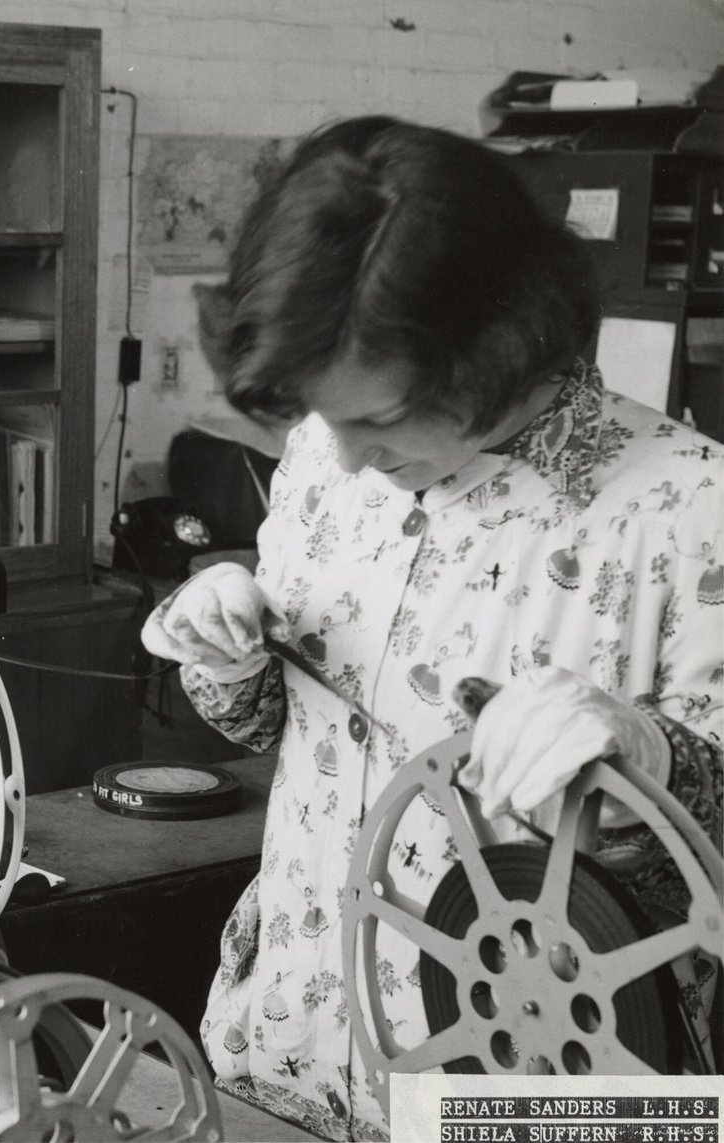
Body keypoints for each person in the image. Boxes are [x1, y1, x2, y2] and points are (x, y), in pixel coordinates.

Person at [142, 117, 722, 1139]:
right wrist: (225, 654)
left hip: (535, 1086)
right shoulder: (327, 461)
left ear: (503, 344)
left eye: (383, 418)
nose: (349, 459)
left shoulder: (690, 509)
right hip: (285, 1046)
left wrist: (649, 760)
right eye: (326, 418)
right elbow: (278, 737)